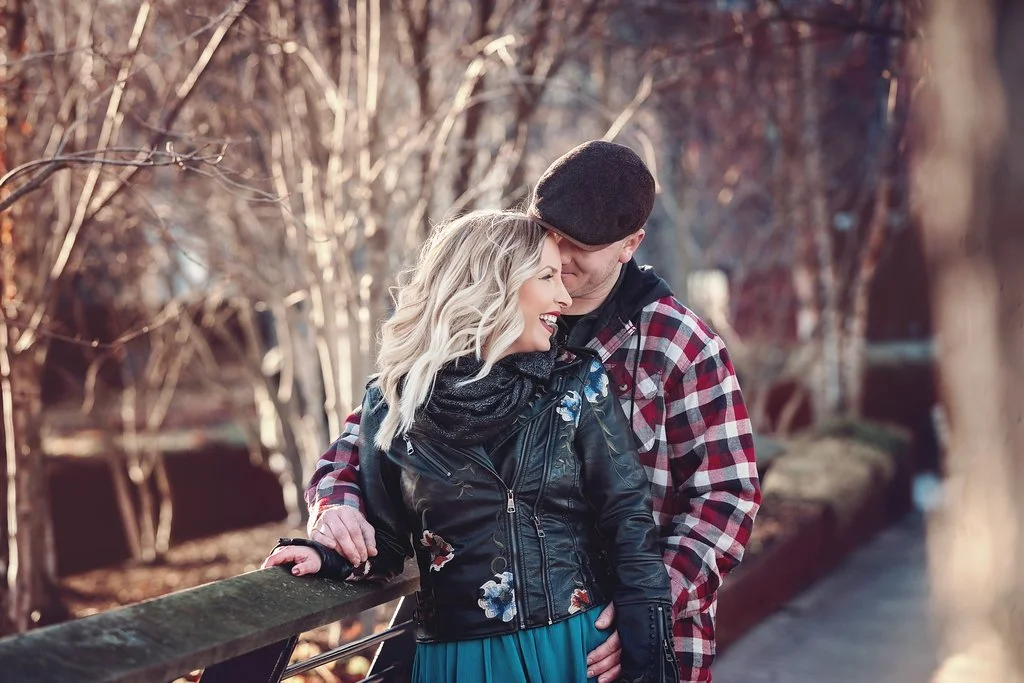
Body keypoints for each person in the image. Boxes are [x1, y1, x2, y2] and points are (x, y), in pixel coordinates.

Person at [306, 141, 761, 682]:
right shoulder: (493, 320)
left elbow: (727, 494)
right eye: (552, 235)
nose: (560, 256)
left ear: (629, 245)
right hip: (477, 646)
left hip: (623, 642)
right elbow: (374, 436)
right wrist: (335, 509)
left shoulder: (679, 344)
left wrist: (642, 610)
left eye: (580, 247)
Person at [266, 210, 678, 682]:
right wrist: (329, 555)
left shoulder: (577, 385)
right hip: (459, 662)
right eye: (546, 276)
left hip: (576, 649)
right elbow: (386, 540)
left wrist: (648, 659)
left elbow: (629, 522)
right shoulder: (394, 402)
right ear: (493, 285)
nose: (564, 296)